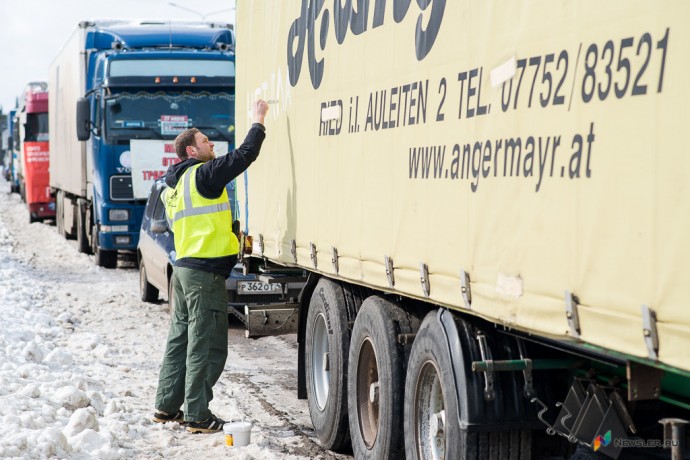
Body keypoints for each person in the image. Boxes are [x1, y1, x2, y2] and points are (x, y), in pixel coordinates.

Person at [152, 99, 269, 433]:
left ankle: (166, 406)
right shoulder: (203, 175)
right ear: (192, 151)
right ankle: (198, 415)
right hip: (204, 274)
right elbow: (244, 155)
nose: (212, 144)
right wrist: (258, 120)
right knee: (206, 343)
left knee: (180, 339)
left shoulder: (171, 186)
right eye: (205, 141)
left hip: (184, 270)